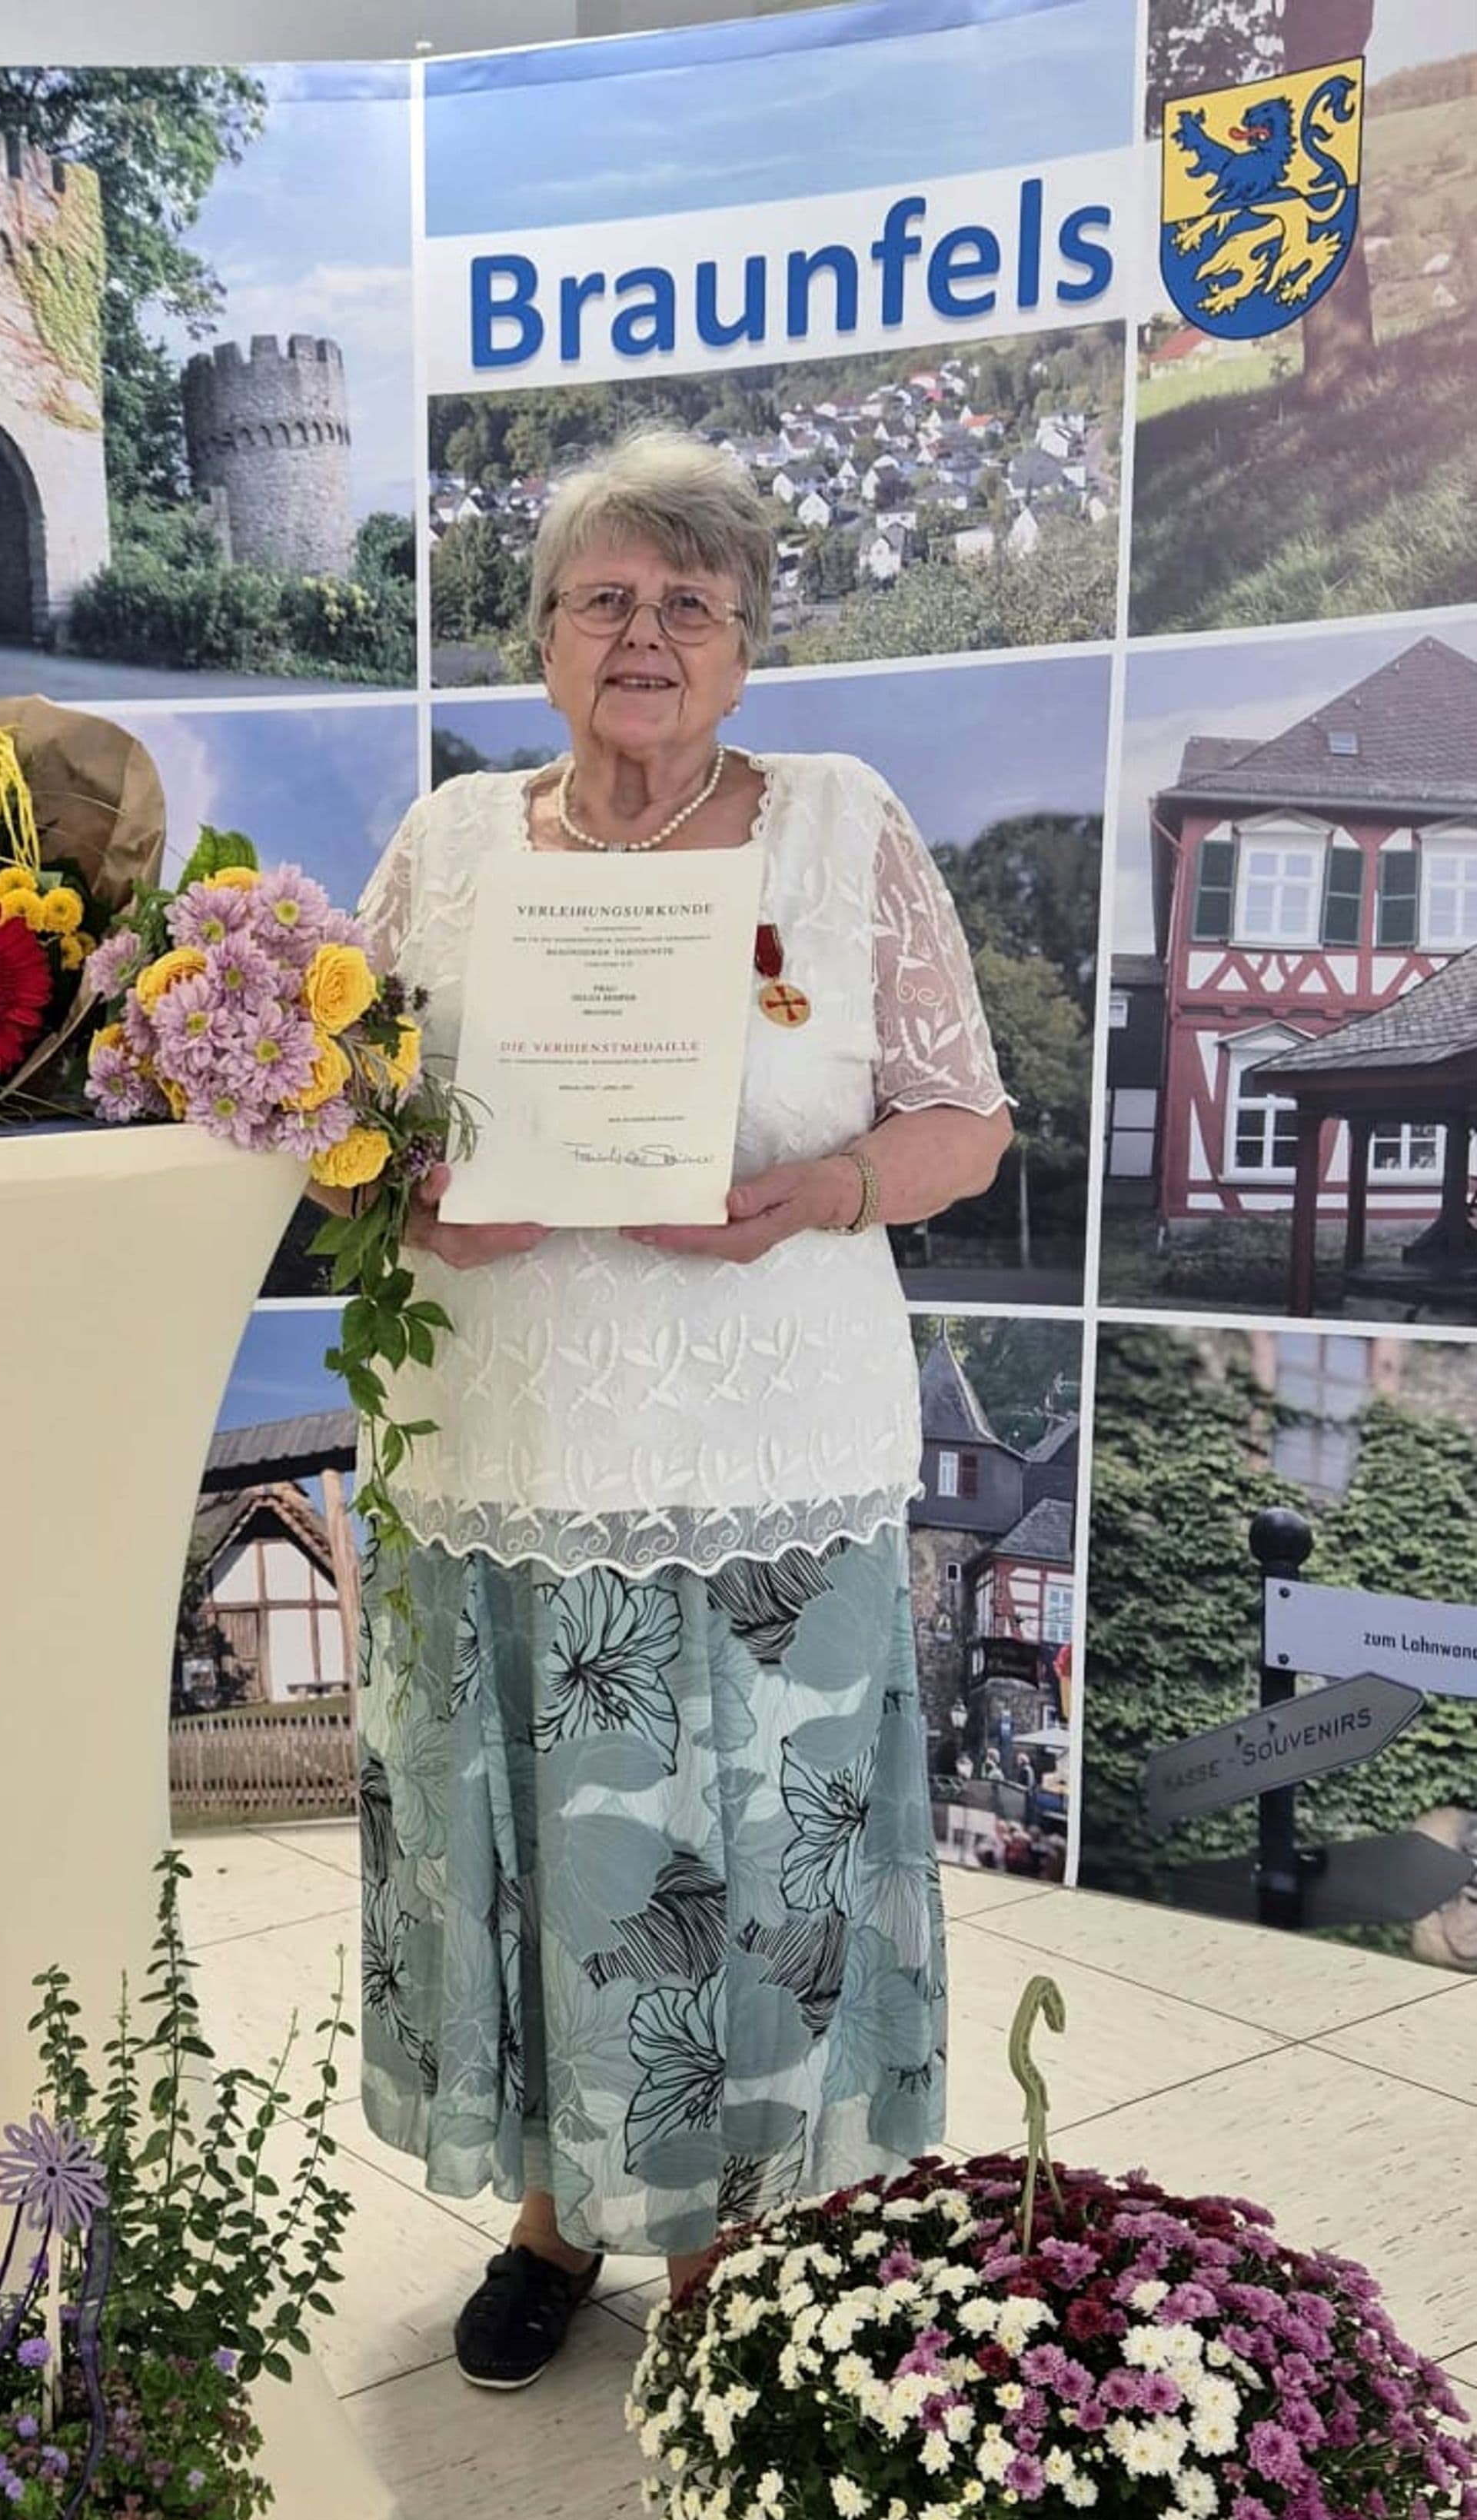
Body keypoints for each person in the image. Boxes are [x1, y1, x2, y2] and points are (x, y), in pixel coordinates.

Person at [349, 428, 1013, 2391]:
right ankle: (556, 2217)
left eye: (689, 605)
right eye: (602, 599)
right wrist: (404, 1201)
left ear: (742, 650)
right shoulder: (450, 845)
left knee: (761, 1851)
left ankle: (754, 2236)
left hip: (765, 1448)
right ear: (540, 637)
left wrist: (815, 1190)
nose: (643, 636)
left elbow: (960, 1125)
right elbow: (333, 1121)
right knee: (548, 1846)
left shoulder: (835, 820)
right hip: (503, 1442)